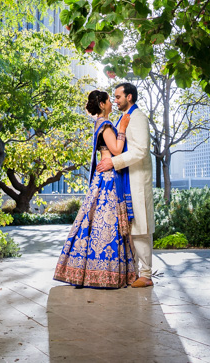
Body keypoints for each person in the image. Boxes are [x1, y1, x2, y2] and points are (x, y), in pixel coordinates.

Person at [53, 90, 138, 288]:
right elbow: (116, 150)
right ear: (102, 104)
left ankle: (91, 270)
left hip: (103, 175)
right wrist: (123, 127)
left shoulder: (99, 123)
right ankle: (105, 272)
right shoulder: (106, 125)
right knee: (107, 224)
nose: (111, 103)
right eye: (109, 100)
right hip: (108, 178)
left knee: (94, 222)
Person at [96, 82, 154, 287]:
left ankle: (146, 275)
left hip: (136, 179)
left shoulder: (138, 118)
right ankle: (135, 273)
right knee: (128, 229)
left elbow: (141, 151)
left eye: (118, 96)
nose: (116, 100)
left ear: (129, 97)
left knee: (141, 228)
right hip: (125, 179)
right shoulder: (123, 118)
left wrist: (113, 161)